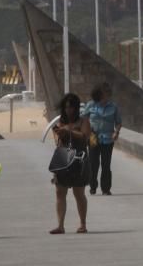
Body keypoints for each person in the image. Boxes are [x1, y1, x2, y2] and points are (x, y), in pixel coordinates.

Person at [50, 92, 92, 234]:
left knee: (78, 192)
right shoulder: (62, 122)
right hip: (63, 158)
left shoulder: (83, 121)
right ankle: (60, 225)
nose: (69, 110)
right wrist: (60, 133)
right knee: (59, 192)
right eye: (66, 107)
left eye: (71, 107)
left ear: (76, 108)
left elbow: (85, 137)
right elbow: (59, 142)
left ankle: (83, 224)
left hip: (79, 159)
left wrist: (69, 132)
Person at [81, 82, 122, 195]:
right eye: (104, 94)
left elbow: (118, 122)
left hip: (108, 139)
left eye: (107, 94)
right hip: (93, 137)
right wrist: (86, 132)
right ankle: (93, 186)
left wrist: (116, 132)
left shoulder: (113, 107)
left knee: (106, 164)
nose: (106, 97)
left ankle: (106, 188)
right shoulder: (91, 105)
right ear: (98, 94)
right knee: (93, 163)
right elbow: (84, 119)